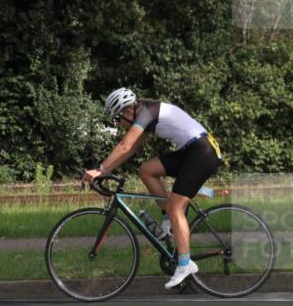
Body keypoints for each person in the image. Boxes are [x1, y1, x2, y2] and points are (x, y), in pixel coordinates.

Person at [82, 87, 223, 289]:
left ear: (127, 111)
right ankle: (169, 220)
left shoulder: (147, 112)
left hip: (202, 152)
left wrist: (100, 170)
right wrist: (106, 171)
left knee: (176, 208)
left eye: (118, 119)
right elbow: (130, 149)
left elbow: (124, 145)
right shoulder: (147, 114)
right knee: (147, 170)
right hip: (192, 151)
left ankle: (185, 264)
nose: (119, 124)